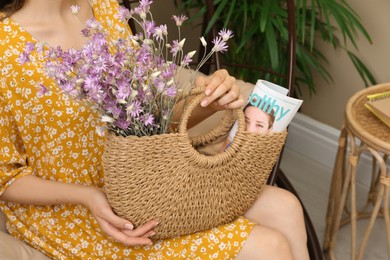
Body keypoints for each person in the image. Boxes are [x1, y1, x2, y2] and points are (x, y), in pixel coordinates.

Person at [0, 0, 310, 259]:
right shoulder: (5, 49)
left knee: (286, 207)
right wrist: (89, 197)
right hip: (72, 213)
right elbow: (6, 178)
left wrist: (209, 103)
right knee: (271, 247)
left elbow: (151, 122)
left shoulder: (106, 11)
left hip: (146, 184)